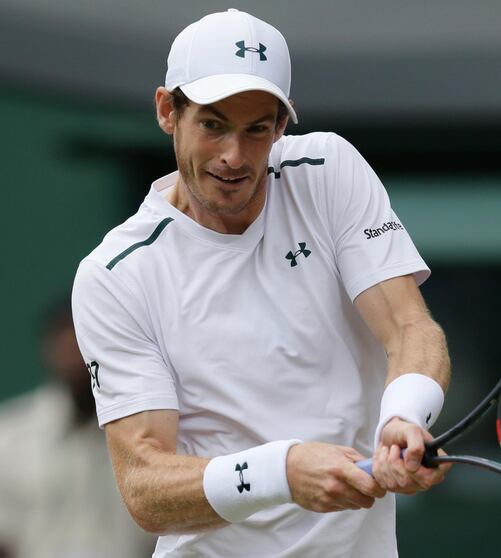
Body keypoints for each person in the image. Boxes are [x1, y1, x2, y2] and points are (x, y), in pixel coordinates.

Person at [71, 8, 451, 557]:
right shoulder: (115, 276)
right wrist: (281, 470)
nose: (234, 156)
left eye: (256, 130)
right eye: (213, 124)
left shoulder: (328, 171)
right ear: (166, 111)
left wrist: (404, 416)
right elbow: (145, 487)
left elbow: (409, 325)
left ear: (279, 126)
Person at [0, 299, 155, 558]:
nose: (75, 354)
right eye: (66, 341)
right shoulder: (9, 436)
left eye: (84, 342)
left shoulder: (149, 434)